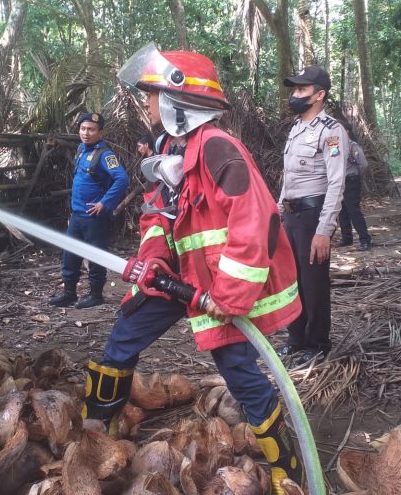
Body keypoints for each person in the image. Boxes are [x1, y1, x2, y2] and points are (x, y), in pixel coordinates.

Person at [81, 44, 303, 494]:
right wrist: (155, 259)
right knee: (124, 334)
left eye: (152, 94)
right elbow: (156, 216)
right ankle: (98, 435)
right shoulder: (170, 150)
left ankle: (289, 469)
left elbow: (252, 222)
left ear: (179, 101)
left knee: (239, 370)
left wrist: (229, 296)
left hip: (219, 289)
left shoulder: (220, 150)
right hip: (179, 280)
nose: (146, 103)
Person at [277, 65, 349, 363]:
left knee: (313, 282)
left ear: (319, 95)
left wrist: (324, 230)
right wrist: (279, 211)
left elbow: (336, 181)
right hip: (291, 216)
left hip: (313, 216)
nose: (295, 94)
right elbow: (288, 177)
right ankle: (296, 340)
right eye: (294, 89)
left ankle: (317, 344)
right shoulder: (295, 129)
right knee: (291, 281)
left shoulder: (332, 131)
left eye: (302, 90)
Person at [48, 112, 129, 309]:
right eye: (83, 129)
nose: (86, 133)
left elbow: (122, 179)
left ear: (100, 132)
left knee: (95, 255)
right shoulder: (80, 150)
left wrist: (104, 203)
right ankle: (69, 293)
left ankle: (95, 295)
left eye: (91, 129)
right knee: (70, 254)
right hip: (77, 216)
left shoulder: (105, 155)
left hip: (95, 217)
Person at [337, 138, 371, 250]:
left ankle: (364, 239)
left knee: (353, 210)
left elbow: (363, 164)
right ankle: (346, 238)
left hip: (351, 180)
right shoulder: (334, 145)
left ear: (346, 131)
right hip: (338, 182)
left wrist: (355, 176)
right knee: (341, 210)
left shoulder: (352, 145)